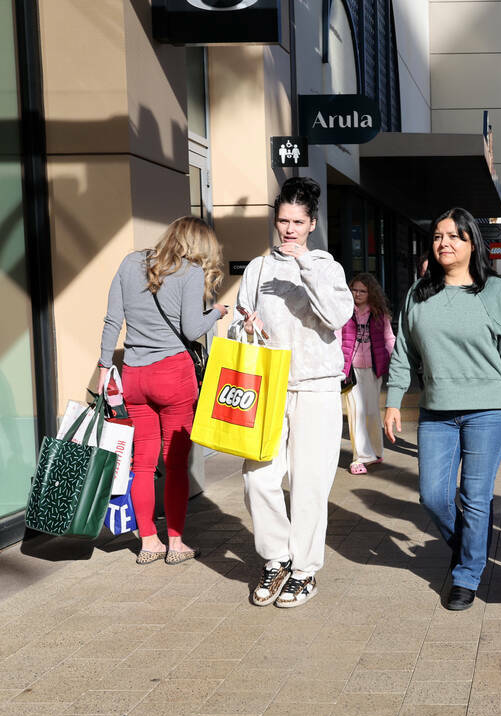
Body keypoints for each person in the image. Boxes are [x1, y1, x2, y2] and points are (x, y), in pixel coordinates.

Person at [383, 207, 501, 612]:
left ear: (472, 243)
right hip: (437, 410)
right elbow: (403, 352)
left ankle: (466, 575)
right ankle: (472, 547)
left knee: (475, 496)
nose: (444, 243)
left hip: (489, 408)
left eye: (454, 236)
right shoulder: (419, 293)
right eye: (437, 236)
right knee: (433, 496)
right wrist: (393, 400)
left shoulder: (495, 292)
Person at [233, 177, 353, 609]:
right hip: (267, 386)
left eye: (297, 222)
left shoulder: (326, 266)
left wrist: (304, 265)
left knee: (309, 483)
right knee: (258, 478)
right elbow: (236, 324)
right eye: (283, 220)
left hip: (316, 386)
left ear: (312, 224)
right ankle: (276, 557)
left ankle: (304, 570)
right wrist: (246, 328)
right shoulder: (257, 268)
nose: (288, 229)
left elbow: (338, 314)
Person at [98, 216, 227, 565]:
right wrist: (216, 312)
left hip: (134, 375)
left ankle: (148, 543)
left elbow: (112, 319)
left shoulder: (129, 262)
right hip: (173, 375)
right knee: (174, 464)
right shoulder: (189, 272)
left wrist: (102, 365)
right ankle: (176, 544)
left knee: (142, 464)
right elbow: (190, 329)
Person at [341, 272, 396, 475]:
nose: (357, 294)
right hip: (351, 370)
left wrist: (397, 360)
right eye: (354, 289)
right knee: (356, 413)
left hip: (373, 370)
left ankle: (375, 451)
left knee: (372, 411)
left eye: (362, 291)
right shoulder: (344, 312)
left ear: (370, 292)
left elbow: (389, 339)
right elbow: (337, 338)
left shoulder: (379, 314)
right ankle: (360, 458)